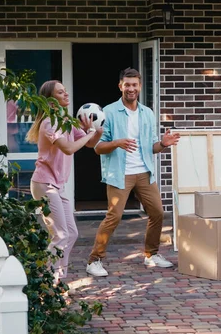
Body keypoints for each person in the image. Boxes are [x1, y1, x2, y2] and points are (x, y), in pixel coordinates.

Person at [86, 67, 180, 277]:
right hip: (120, 173)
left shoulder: (147, 113)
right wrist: (117, 143)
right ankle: (94, 260)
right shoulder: (108, 112)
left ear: (139, 87)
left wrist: (163, 144)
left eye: (134, 85)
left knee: (157, 212)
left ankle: (151, 255)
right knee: (114, 216)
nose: (131, 88)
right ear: (120, 86)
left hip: (144, 171)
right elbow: (97, 147)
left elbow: (152, 147)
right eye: (127, 85)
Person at [26, 80, 103, 284]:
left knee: (72, 233)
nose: (66, 95)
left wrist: (96, 130)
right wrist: (90, 134)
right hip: (44, 184)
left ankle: (59, 277)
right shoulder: (50, 123)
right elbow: (69, 148)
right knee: (60, 234)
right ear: (51, 101)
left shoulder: (66, 120)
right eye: (61, 93)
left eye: (65, 91)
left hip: (57, 186)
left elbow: (90, 144)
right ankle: (47, 279)